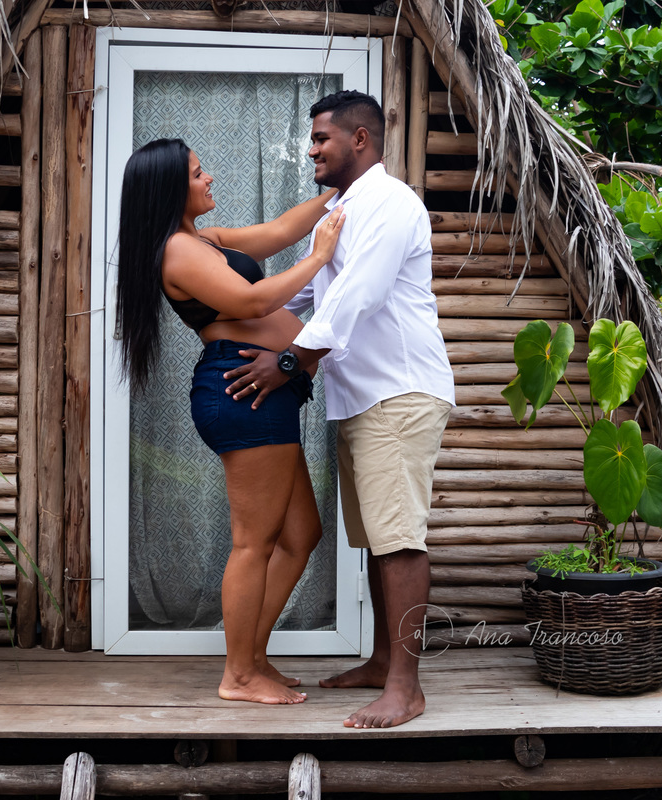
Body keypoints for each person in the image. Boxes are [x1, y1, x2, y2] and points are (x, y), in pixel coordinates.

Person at [222, 91, 455, 728]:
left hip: (398, 392)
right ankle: (383, 662)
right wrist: (232, 312)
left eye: (321, 138)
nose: (311, 150)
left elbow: (358, 295)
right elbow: (311, 299)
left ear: (360, 139)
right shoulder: (341, 210)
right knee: (379, 538)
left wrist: (289, 361)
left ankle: (405, 688)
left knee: (399, 540)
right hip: (361, 397)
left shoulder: (391, 203)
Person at [115, 138, 346, 705]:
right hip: (242, 390)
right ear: (171, 187)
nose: (209, 177)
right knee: (253, 543)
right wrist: (318, 259)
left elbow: (280, 230)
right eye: (198, 173)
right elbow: (251, 303)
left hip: (266, 391)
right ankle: (238, 675)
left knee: (300, 535)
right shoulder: (177, 251)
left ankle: (253, 658)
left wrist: (347, 188)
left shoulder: (203, 240)